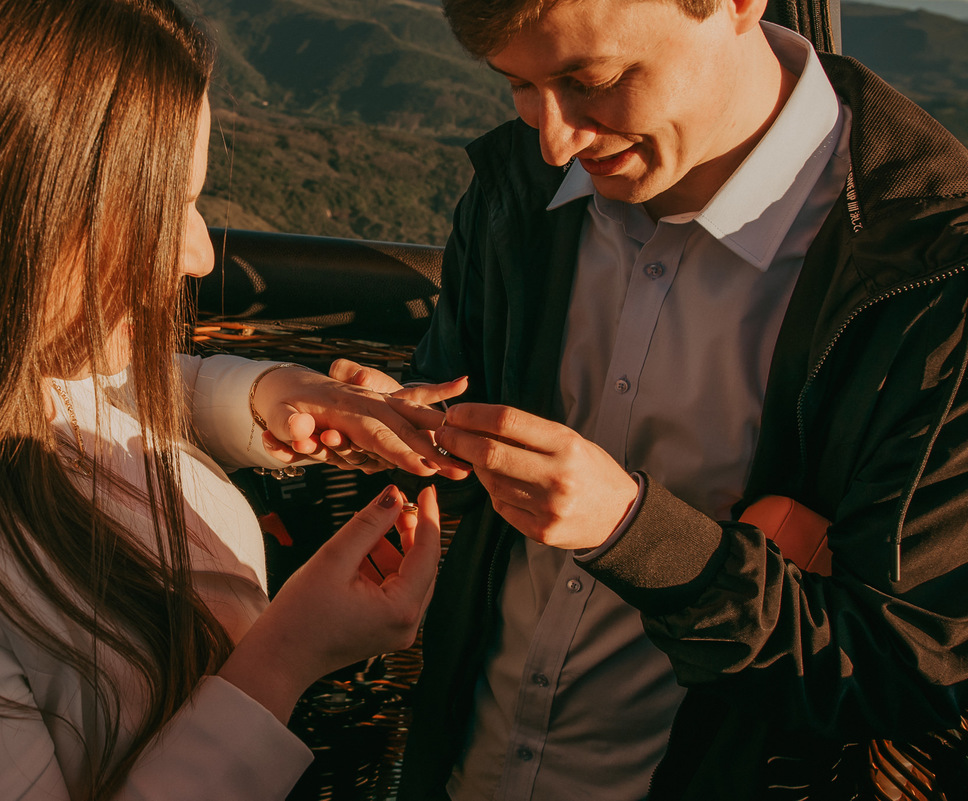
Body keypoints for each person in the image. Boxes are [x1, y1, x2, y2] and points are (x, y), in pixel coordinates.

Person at [0, 1, 459, 799]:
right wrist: (286, 658)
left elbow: (102, 402)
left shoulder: (10, 366)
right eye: (164, 206)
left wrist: (273, 392)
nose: (198, 253)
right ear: (13, 213)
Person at [326, 0, 968, 797]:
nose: (554, 137)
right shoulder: (518, 186)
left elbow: (906, 667)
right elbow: (464, 400)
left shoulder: (938, 276)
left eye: (589, 80)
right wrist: (403, 425)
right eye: (517, 87)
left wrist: (633, 531)